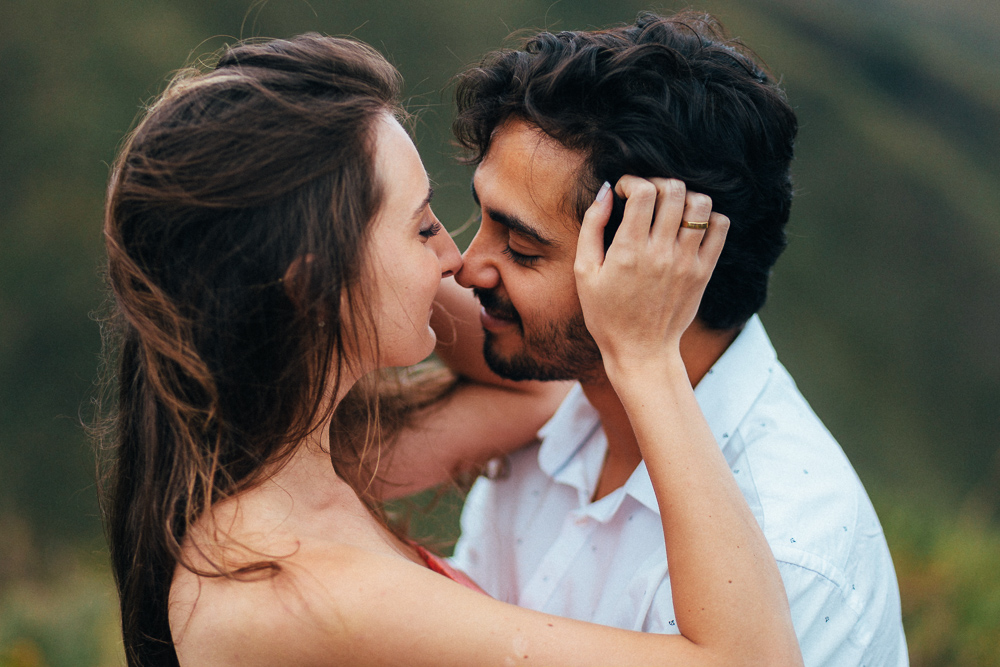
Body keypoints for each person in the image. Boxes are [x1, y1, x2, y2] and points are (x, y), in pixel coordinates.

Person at [96, 33, 802, 667]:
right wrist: (645, 355)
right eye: (425, 225)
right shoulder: (300, 590)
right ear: (313, 281)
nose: (456, 262)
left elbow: (529, 389)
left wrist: (345, 269)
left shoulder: (295, 454)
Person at [425, 11, 907, 667]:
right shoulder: (559, 414)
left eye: (522, 247)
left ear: (659, 269)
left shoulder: (790, 552)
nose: (470, 265)